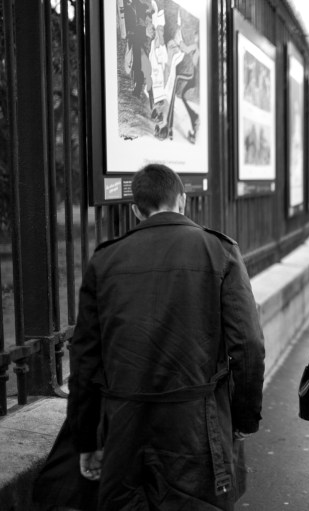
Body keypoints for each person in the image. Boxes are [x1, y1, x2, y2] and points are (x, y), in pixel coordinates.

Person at [35, 164, 266, 510]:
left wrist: (87, 440)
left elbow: (85, 360)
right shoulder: (220, 251)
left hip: (124, 428)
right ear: (183, 201)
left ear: (134, 210)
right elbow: (248, 346)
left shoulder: (105, 260)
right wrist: (242, 419)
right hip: (196, 427)